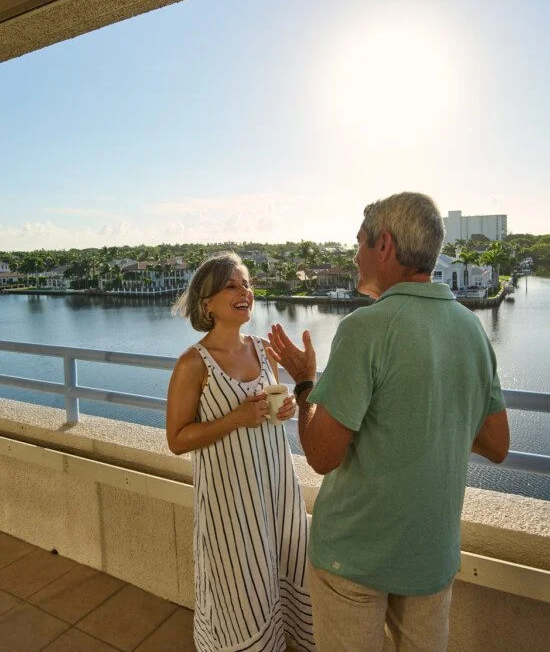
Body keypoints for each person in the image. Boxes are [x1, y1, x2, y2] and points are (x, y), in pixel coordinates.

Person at [267, 192, 510, 652]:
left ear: (385, 246)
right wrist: (434, 416)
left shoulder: (366, 329)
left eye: (359, 242)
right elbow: (498, 442)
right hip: (430, 554)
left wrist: (304, 384)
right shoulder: (470, 329)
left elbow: (321, 455)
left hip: (353, 558)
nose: (354, 254)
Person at [166, 251, 316, 652]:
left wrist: (284, 410)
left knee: (287, 568)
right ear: (207, 302)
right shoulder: (192, 364)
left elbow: (267, 413)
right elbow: (177, 439)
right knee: (241, 585)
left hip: (276, 488)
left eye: (246, 283)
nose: (243, 291)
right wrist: (232, 418)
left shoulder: (263, 350)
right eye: (231, 285)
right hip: (231, 500)